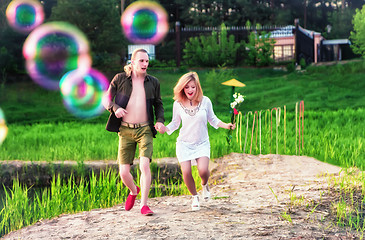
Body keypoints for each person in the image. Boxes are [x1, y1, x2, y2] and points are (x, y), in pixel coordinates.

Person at [158, 72, 235, 211]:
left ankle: (205, 185)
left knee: (203, 170)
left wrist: (226, 125)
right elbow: (175, 123)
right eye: (186, 87)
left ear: (197, 87)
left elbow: (213, 119)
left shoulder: (206, 101)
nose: (190, 90)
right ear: (182, 88)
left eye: (192, 87)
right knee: (186, 172)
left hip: (202, 143)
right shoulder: (178, 104)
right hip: (184, 143)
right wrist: (164, 129)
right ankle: (194, 197)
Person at [102, 48, 164, 216]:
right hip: (125, 130)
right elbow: (106, 99)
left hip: (145, 129)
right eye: (141, 61)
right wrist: (115, 108)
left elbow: (158, 104)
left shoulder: (153, 82)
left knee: (144, 165)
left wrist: (159, 121)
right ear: (133, 62)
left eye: (147, 61)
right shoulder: (120, 79)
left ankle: (144, 205)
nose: (145, 64)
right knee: (123, 172)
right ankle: (133, 190)